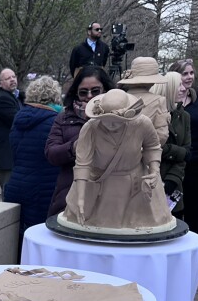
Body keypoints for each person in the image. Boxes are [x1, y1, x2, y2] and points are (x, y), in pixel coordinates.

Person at [59, 89, 171, 231]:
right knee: (97, 227)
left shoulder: (142, 124)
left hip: (135, 184)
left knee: (141, 227)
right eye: (107, 121)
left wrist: (154, 171)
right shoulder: (90, 128)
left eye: (117, 122)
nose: (111, 125)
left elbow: (153, 147)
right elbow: (82, 164)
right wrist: (81, 199)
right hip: (101, 185)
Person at [46, 66, 116, 216]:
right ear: (76, 92)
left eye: (96, 91)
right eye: (83, 92)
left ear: (106, 90)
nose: (89, 96)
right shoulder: (64, 117)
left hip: (109, 195)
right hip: (70, 192)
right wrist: (74, 147)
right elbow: (51, 153)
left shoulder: (119, 118)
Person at [3, 75, 62, 234]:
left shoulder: (19, 118)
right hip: (43, 191)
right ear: (55, 96)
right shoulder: (56, 121)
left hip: (16, 186)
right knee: (38, 236)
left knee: (16, 240)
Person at [168, 59, 198, 249]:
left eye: (191, 73)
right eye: (184, 73)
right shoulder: (167, 100)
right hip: (173, 164)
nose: (188, 77)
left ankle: (197, 253)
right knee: (173, 211)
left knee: (197, 212)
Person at [151, 71, 191, 217]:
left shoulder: (184, 116)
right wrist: (176, 150)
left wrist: (173, 179)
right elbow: (151, 147)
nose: (183, 88)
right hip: (151, 180)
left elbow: (187, 152)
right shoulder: (151, 113)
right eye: (178, 84)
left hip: (173, 186)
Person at [117, 57, 169, 145]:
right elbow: (162, 135)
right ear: (153, 81)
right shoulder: (159, 101)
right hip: (143, 154)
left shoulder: (118, 97)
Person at [0, 68, 23, 191]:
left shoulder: (15, 96)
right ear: (1, 83)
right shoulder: (2, 99)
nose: (12, 80)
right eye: (8, 78)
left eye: (13, 77)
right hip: (6, 158)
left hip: (13, 156)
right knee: (9, 192)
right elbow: (19, 121)